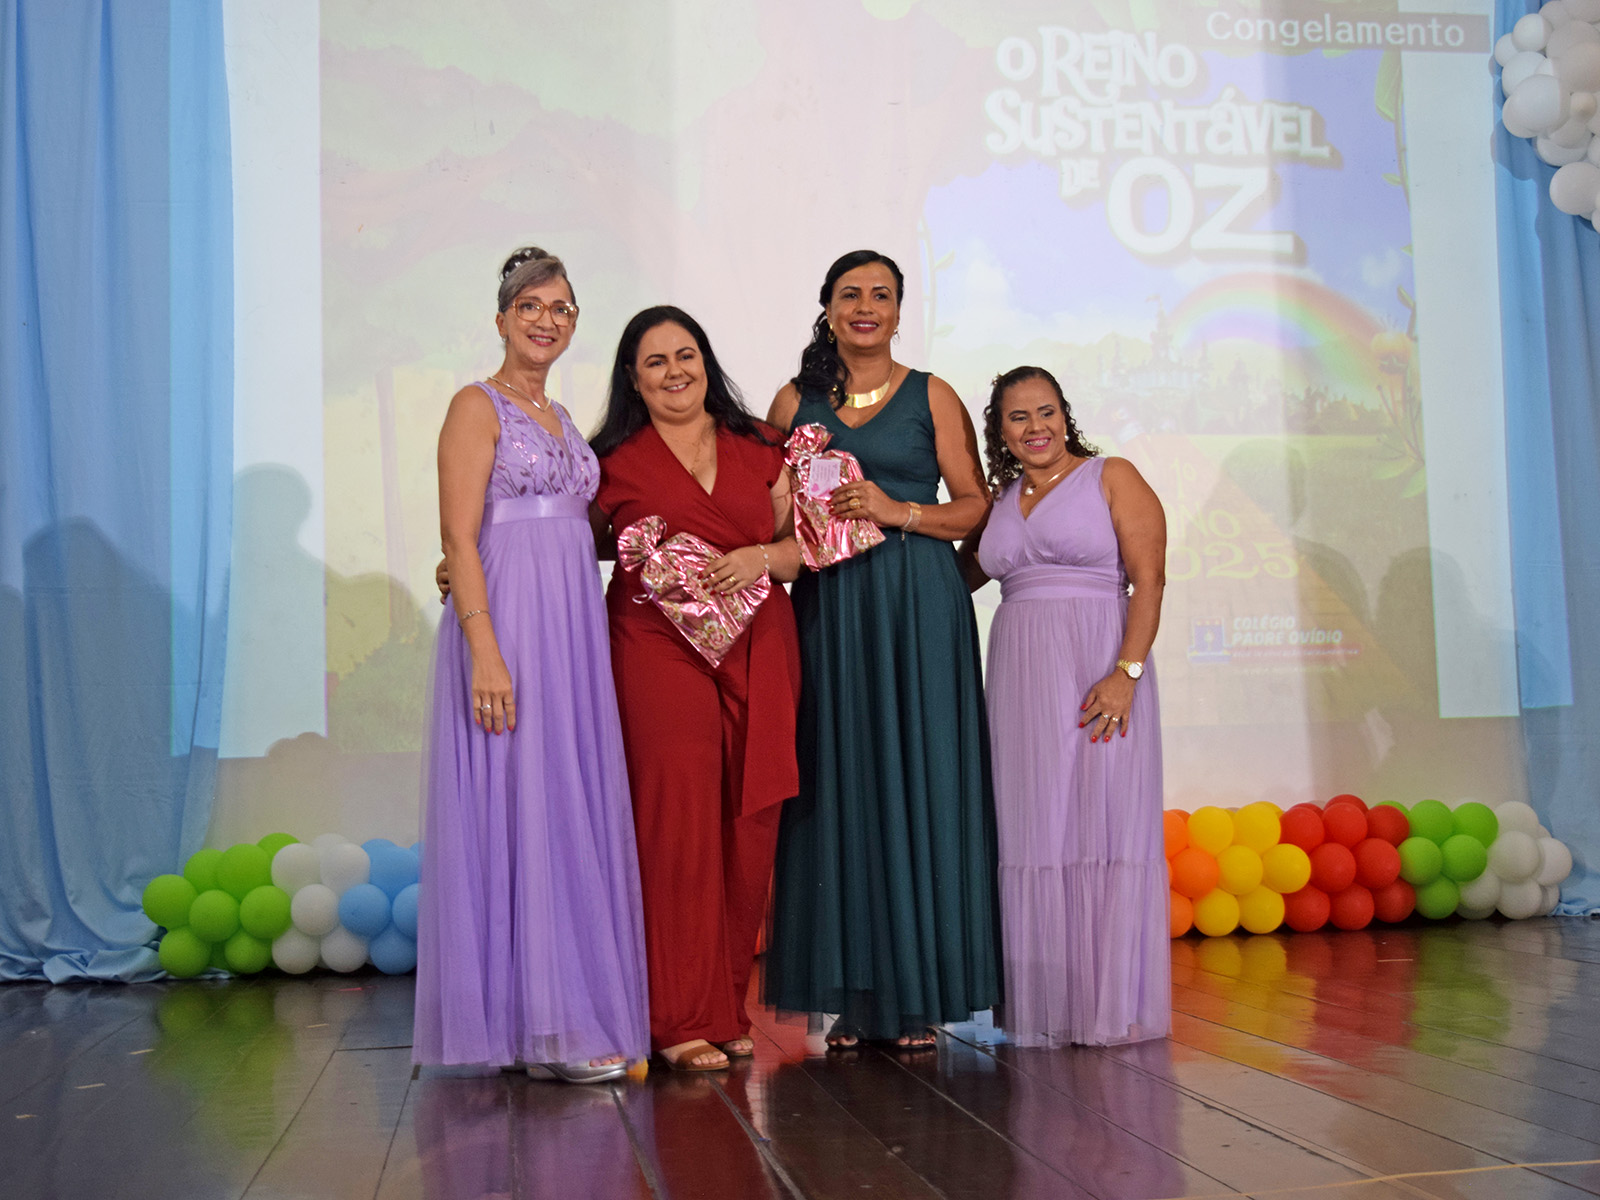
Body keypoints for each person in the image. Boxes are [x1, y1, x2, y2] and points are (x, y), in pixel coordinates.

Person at [414, 247, 649, 1083]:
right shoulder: (474, 406)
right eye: (532, 307)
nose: (547, 321)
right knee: (520, 800)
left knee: (561, 801)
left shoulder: (561, 416)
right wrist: (485, 650)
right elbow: (459, 535)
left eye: (562, 308)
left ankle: (556, 1020)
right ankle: (545, 1031)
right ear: (503, 318)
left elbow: (573, 528)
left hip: (572, 632)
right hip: (510, 628)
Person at [763, 249, 1001, 1050]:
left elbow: (975, 509)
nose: (866, 306)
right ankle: (852, 994)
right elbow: (765, 512)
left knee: (922, 784)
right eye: (850, 294)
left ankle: (918, 994)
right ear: (827, 308)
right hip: (829, 607)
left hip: (918, 607)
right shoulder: (793, 400)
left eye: (881, 295)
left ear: (899, 311)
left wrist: (899, 512)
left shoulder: (932, 394)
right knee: (838, 786)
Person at [592, 306, 804, 1072]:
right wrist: (469, 563)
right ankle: (676, 1017)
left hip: (759, 644)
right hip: (654, 646)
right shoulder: (609, 462)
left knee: (751, 821)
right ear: (633, 378)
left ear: (706, 362)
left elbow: (803, 546)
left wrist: (760, 558)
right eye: (655, 361)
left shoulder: (763, 445)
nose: (675, 371)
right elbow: (563, 541)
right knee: (675, 818)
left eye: (686, 355)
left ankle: (723, 1008)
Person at [966, 365, 1170, 1046]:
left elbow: (1149, 580)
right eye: (1018, 417)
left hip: (1098, 671)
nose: (1036, 427)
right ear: (1000, 431)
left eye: (1046, 411)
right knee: (1034, 828)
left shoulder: (1112, 476)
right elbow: (953, 578)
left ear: (1065, 414)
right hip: (1020, 680)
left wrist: (1126, 672)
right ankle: (1047, 1005)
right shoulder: (998, 501)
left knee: (1100, 822)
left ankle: (1107, 1006)